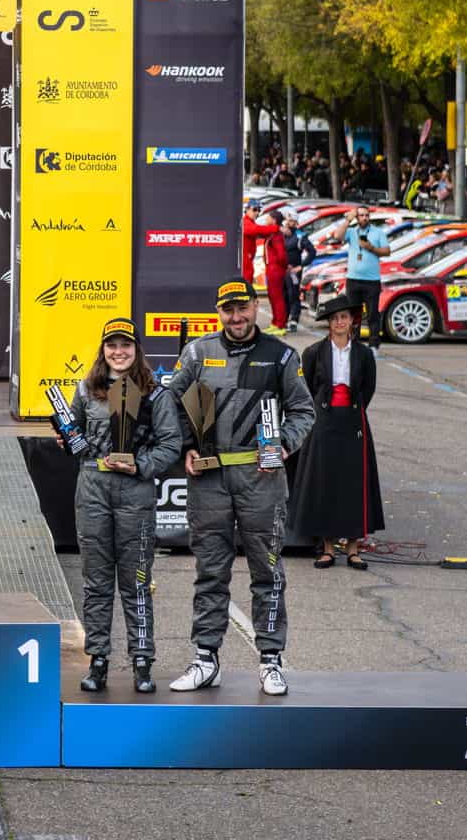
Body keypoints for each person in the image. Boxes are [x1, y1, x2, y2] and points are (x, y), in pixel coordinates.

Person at [158, 280, 315, 696]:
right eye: (228, 310)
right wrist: (186, 447)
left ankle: (270, 660)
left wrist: (283, 444)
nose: (237, 317)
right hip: (209, 479)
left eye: (243, 308)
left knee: (267, 571)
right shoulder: (197, 352)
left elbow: (303, 410)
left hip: (260, 479)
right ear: (218, 312)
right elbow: (169, 406)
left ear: (257, 306)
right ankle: (206, 659)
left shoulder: (281, 355)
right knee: (210, 571)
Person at [63, 318, 182, 694]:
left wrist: (140, 465)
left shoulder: (155, 395)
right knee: (97, 582)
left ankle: (142, 660)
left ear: (136, 350)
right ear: (103, 350)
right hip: (93, 488)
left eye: (125, 345)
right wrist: (66, 438)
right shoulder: (87, 389)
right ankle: (97, 658)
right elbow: (73, 433)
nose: (119, 352)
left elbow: (170, 444)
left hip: (136, 491)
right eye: (112, 345)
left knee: (137, 582)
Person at [293, 296, 383, 568]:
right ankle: (328, 548)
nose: (339, 322)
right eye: (334, 318)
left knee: (353, 485)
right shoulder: (313, 352)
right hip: (324, 422)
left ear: (352, 320)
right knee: (325, 483)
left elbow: (368, 389)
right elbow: (307, 386)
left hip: (354, 423)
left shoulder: (364, 355)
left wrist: (353, 412)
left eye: (343, 317)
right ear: (329, 324)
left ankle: (354, 548)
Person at [339, 207, 390, 350]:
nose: (365, 218)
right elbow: (338, 235)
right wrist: (348, 219)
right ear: (357, 217)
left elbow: (387, 251)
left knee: (373, 313)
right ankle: (353, 343)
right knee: (354, 313)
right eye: (361, 215)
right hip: (353, 279)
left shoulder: (377, 232)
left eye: (367, 215)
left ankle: (374, 345)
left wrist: (371, 248)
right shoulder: (352, 231)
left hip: (372, 280)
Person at [279, 213, 314, 333]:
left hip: (293, 272)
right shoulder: (282, 234)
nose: (291, 223)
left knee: (293, 294)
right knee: (283, 295)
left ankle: (293, 320)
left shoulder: (300, 236)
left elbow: (312, 252)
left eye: (293, 221)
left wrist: (301, 266)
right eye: (289, 221)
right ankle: (283, 319)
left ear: (297, 222)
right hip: (281, 271)